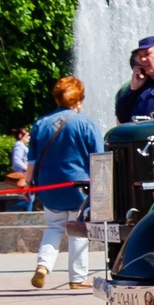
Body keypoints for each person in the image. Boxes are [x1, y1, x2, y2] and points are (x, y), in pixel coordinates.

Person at [28, 77, 104, 289]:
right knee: (78, 229)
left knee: (54, 227)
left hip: (48, 187)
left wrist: (28, 185)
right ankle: (78, 278)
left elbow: (32, 160)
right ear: (78, 100)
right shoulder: (85, 123)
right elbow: (99, 158)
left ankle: (43, 265)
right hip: (78, 187)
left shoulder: (40, 123)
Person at [5, 127, 33, 210]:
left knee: (30, 198)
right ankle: (11, 212)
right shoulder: (19, 146)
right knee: (29, 198)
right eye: (27, 136)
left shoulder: (21, 145)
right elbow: (17, 160)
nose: (29, 137)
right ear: (21, 136)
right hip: (22, 175)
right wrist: (27, 168)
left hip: (25, 174)